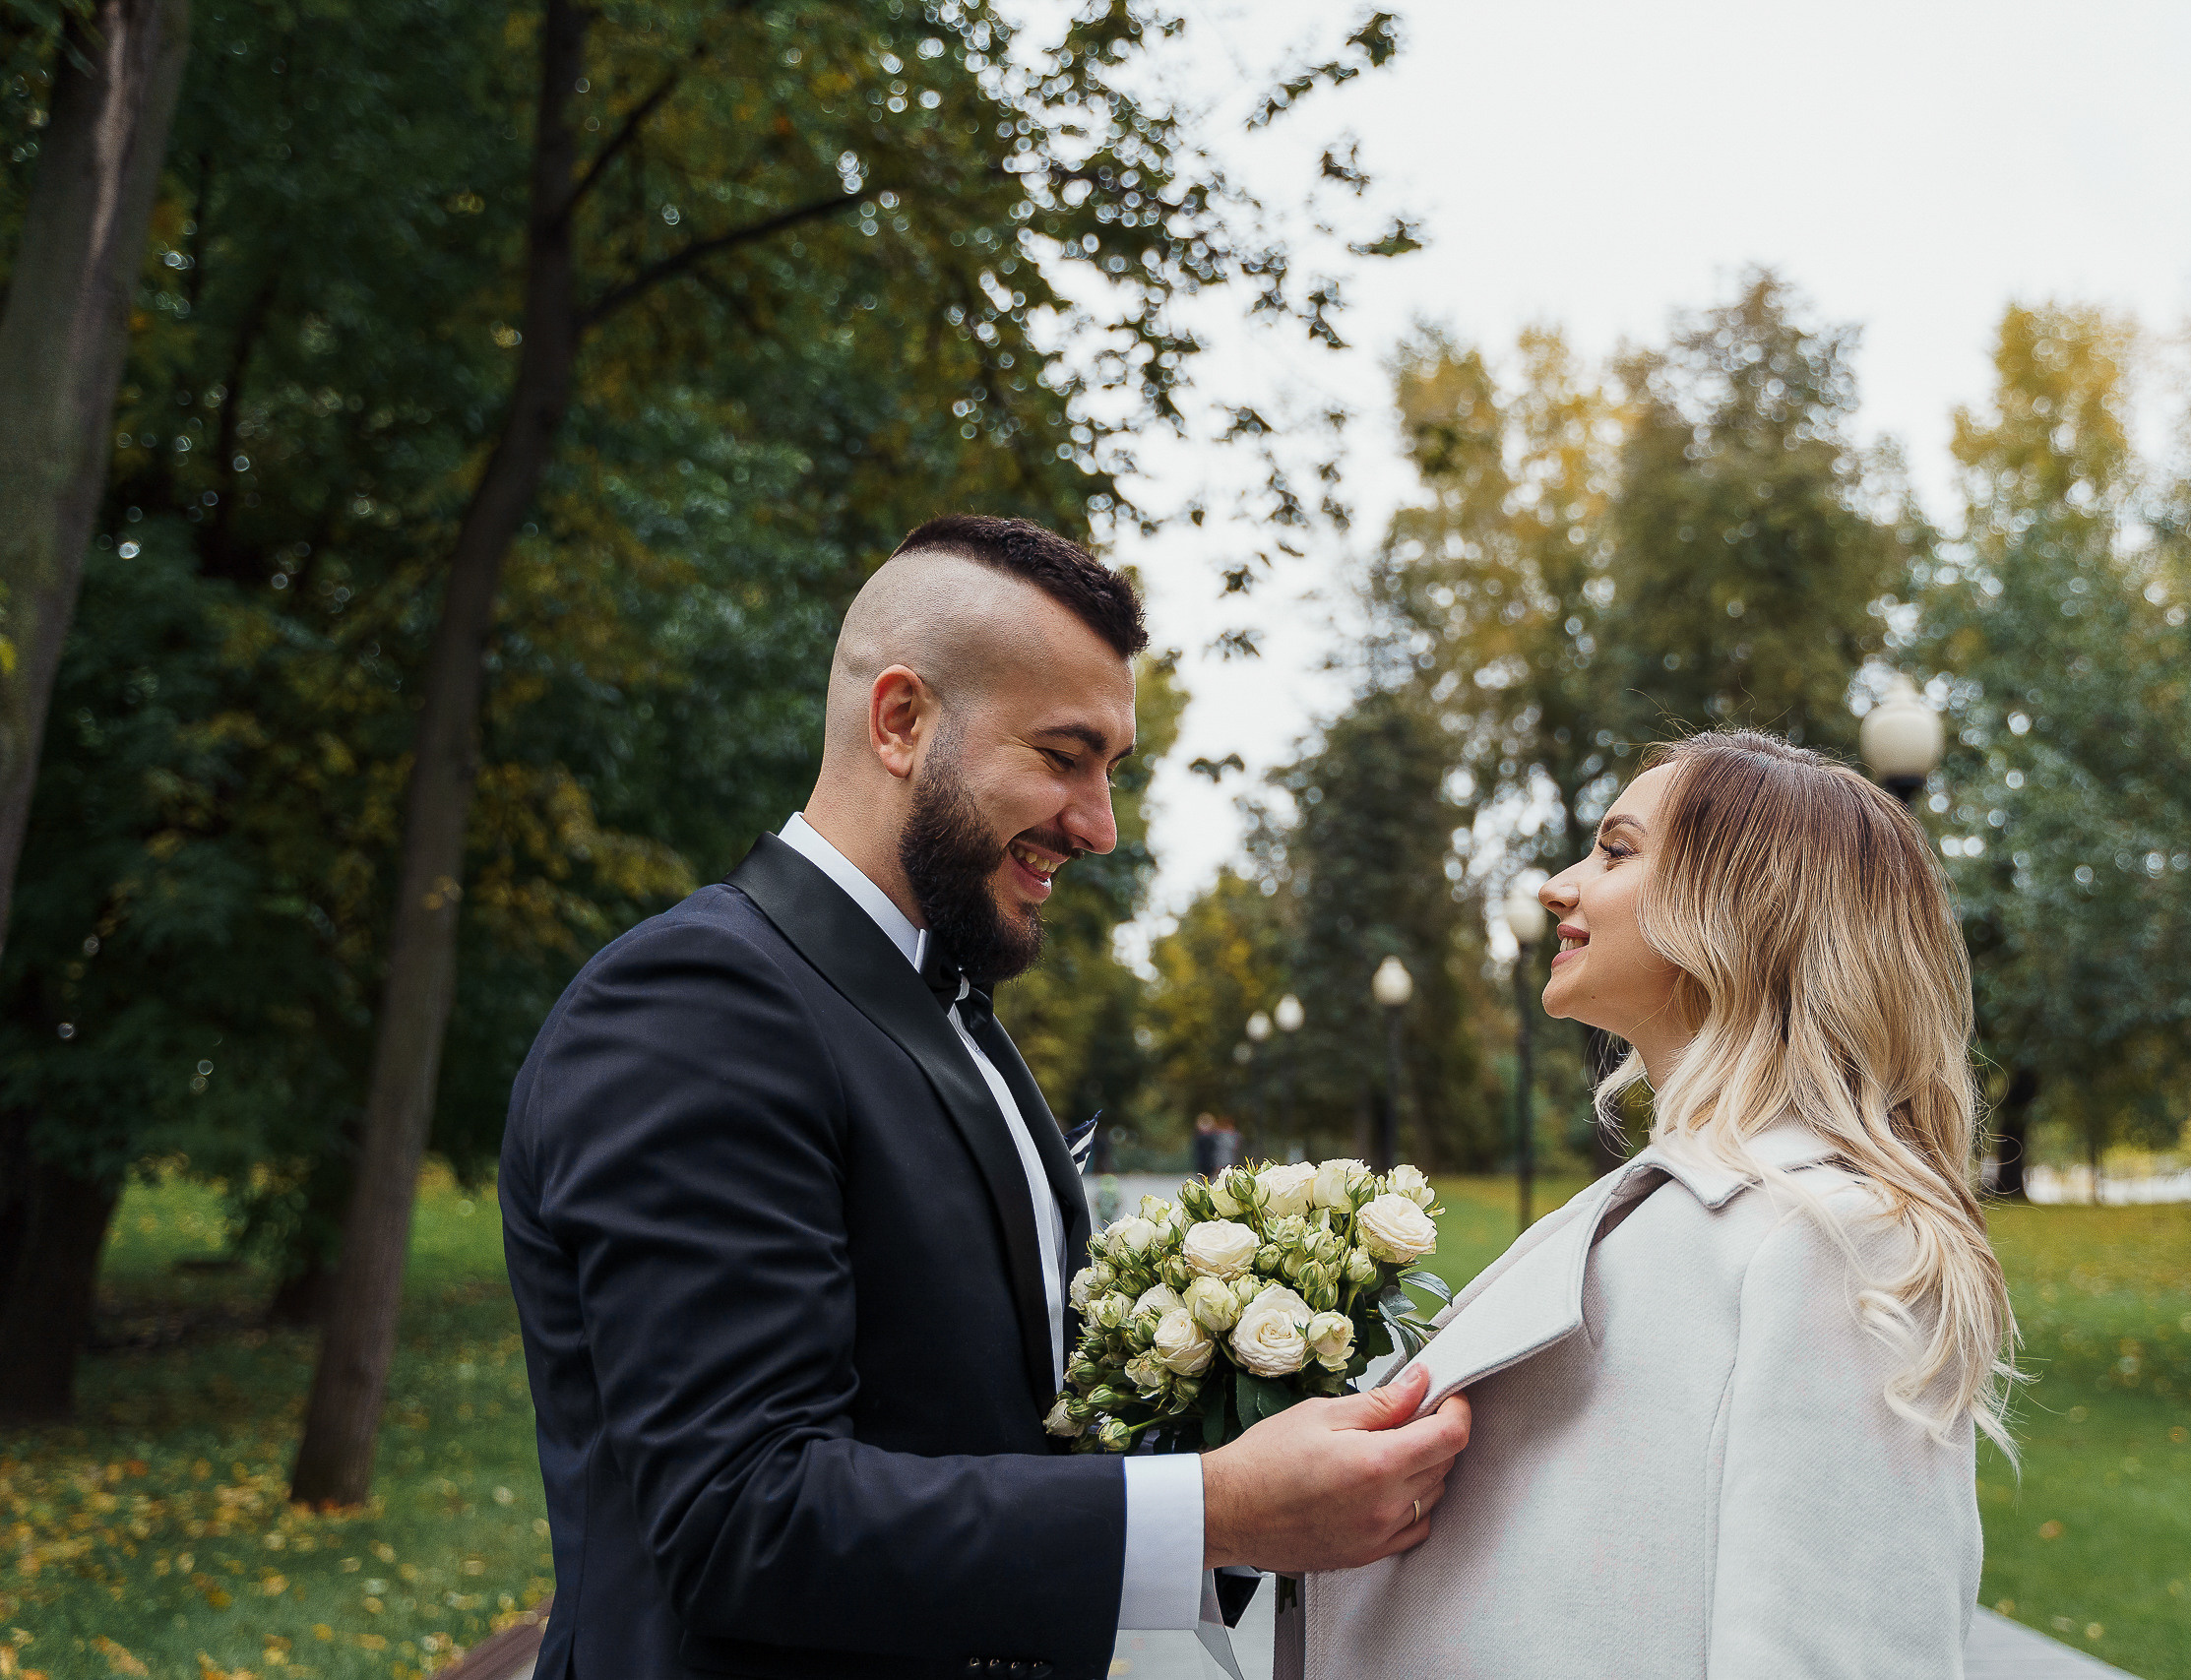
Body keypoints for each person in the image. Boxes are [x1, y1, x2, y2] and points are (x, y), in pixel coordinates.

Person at [501, 516, 1471, 1680]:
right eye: (1062, 757)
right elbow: (741, 1516)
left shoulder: (941, 1008)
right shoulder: (698, 1002)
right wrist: (1207, 1507)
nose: (1098, 827)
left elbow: (981, 1431)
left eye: (1111, 772)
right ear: (901, 722)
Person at [1305, 729, 2013, 1679]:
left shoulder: (1835, 1240)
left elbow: (1846, 1649)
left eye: (1615, 850)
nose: (1559, 885)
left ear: (1739, 908)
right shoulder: (1671, 1207)